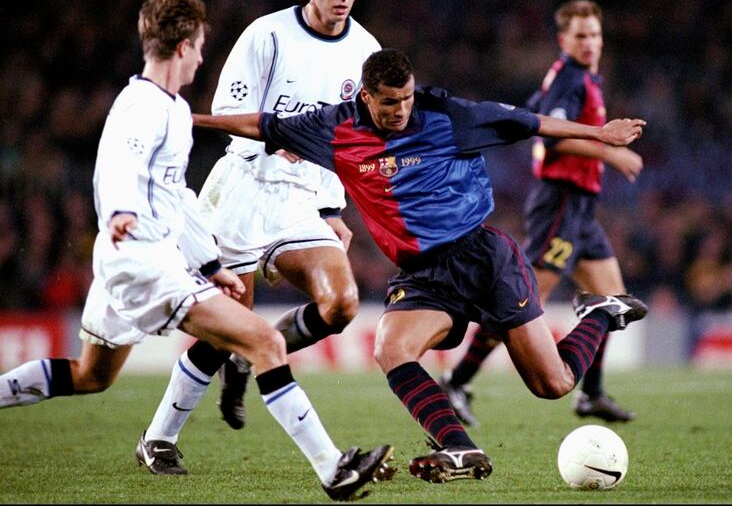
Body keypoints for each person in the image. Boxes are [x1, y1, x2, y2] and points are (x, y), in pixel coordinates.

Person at [0, 0, 393, 501]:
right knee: (266, 344)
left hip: (130, 263)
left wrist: (210, 263)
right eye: (200, 47)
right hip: (147, 264)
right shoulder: (144, 109)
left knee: (90, 375)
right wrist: (121, 209)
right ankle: (333, 468)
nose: (203, 57)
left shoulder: (165, 106)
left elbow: (177, 195)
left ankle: (154, 434)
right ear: (183, 47)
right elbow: (122, 166)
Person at [191, 47, 649, 483]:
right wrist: (187, 118)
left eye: (407, 98)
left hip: (483, 259)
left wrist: (599, 135)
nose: (401, 110)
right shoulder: (335, 127)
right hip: (424, 275)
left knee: (554, 384)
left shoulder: (450, 115)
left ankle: (601, 313)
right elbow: (262, 124)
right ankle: (458, 446)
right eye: (390, 102)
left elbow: (530, 123)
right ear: (365, 97)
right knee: (391, 348)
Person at [145, 0, 381, 438]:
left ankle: (249, 358)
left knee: (340, 303)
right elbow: (228, 110)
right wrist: (274, 140)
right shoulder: (267, 35)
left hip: (304, 198)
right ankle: (159, 437)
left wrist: (333, 208)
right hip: (246, 187)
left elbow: (352, 139)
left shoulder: (365, 49)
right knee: (230, 319)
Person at [440, 0, 644, 427]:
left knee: (613, 301)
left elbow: (536, 112)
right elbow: (551, 139)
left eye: (595, 35)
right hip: (560, 203)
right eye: (581, 36)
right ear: (563, 40)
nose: (590, 43)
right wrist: (611, 153)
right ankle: (457, 381)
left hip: (581, 211)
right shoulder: (570, 78)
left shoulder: (574, 79)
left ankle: (591, 394)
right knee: (523, 303)